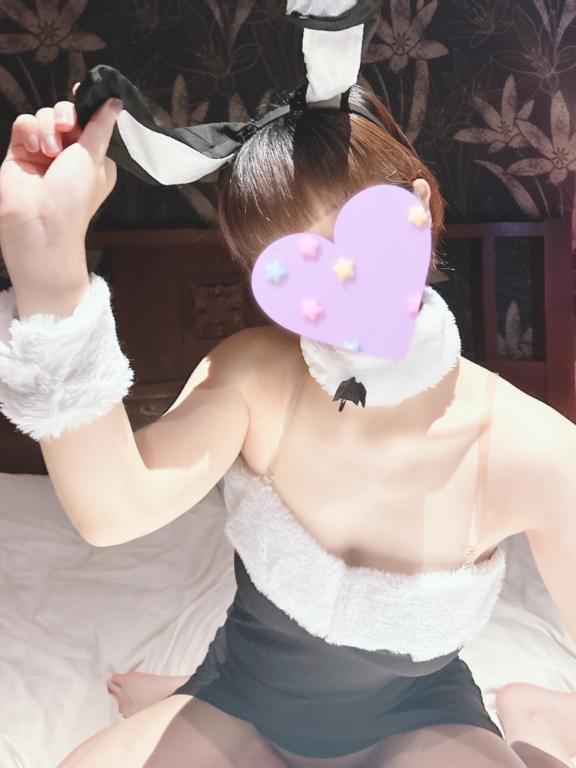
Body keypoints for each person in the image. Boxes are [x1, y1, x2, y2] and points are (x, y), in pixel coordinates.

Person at [1, 5, 576, 768]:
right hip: (244, 694)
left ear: (420, 208)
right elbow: (112, 510)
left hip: (417, 717)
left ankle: (538, 710)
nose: (335, 286)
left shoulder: (536, 451)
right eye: (292, 267)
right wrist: (46, 264)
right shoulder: (255, 376)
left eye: (349, 237)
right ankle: (180, 689)